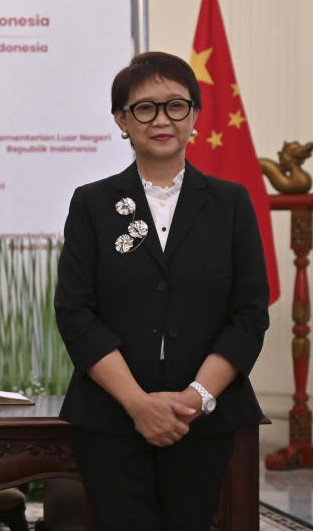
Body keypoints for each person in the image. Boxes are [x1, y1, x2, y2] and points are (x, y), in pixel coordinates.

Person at [54, 51, 269, 530]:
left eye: (176, 105)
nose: (162, 119)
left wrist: (192, 400)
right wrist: (138, 403)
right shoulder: (92, 203)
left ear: (194, 115)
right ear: (121, 121)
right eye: (144, 108)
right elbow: (75, 312)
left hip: (204, 418)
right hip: (111, 416)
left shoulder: (231, 203)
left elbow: (250, 315)